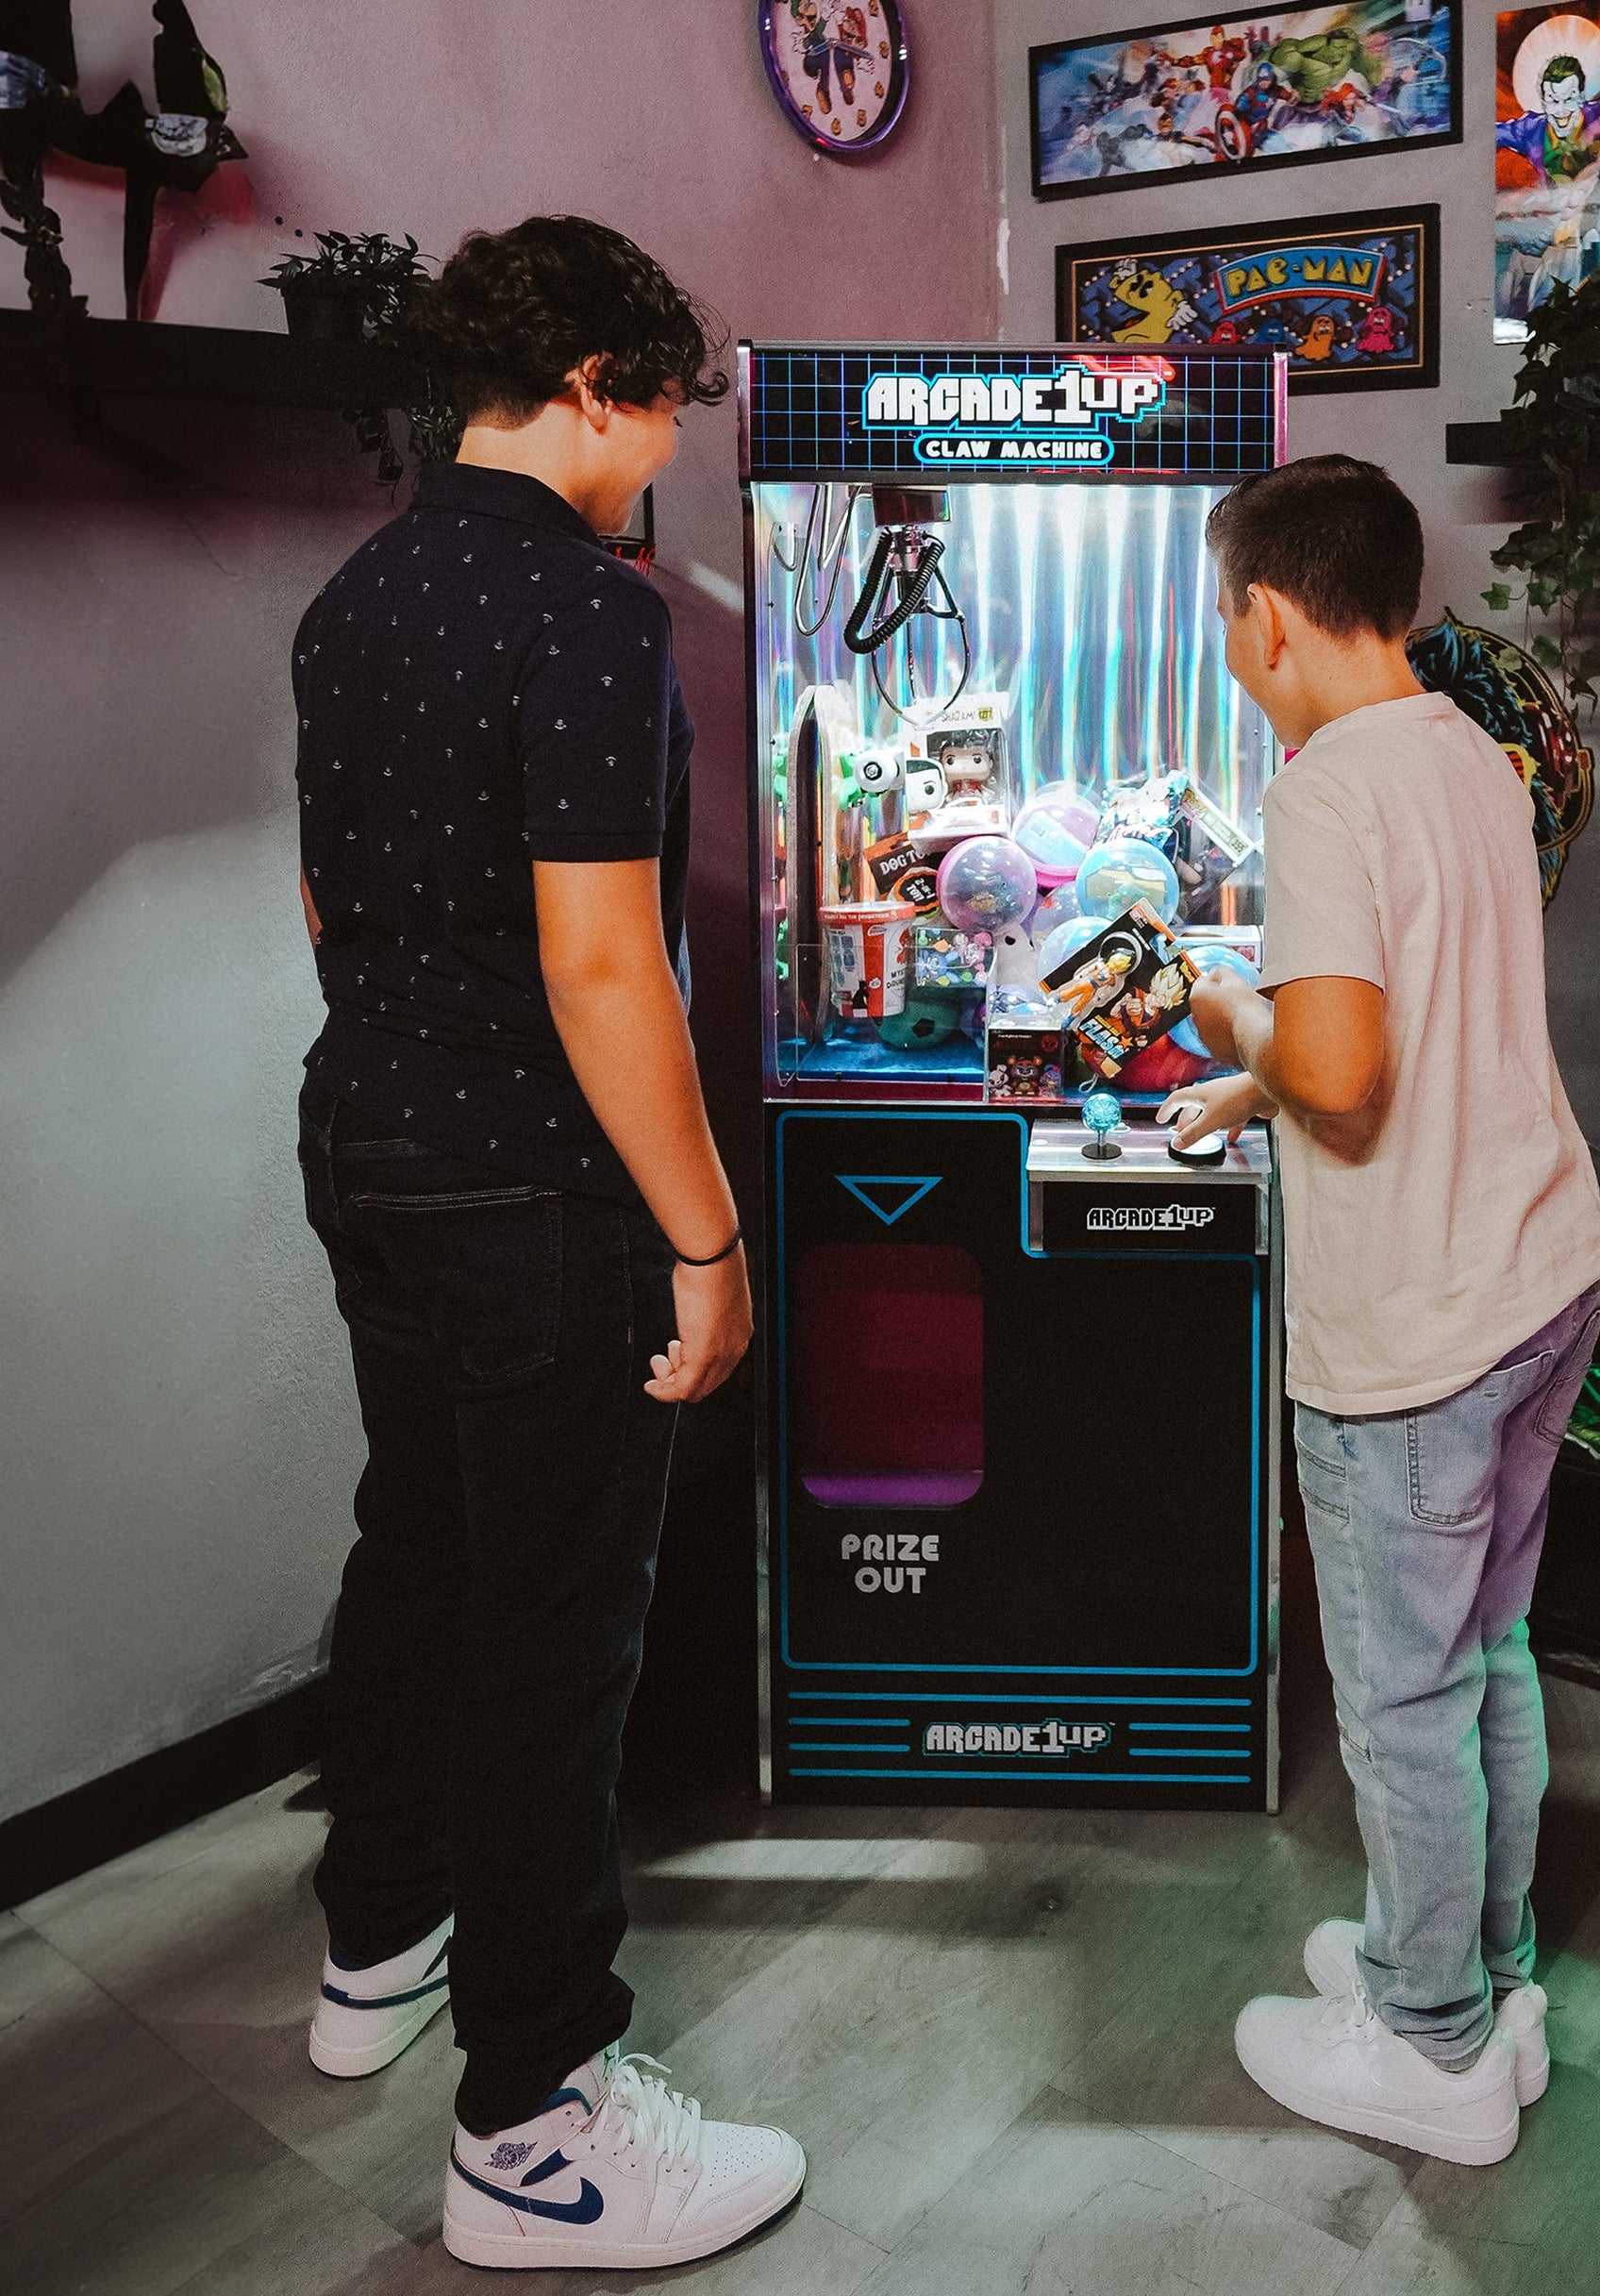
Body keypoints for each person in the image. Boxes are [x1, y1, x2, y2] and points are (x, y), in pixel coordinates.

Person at [292, 214, 807, 2272]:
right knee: (552, 1632)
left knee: (416, 1546)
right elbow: (606, 965)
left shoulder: (357, 592)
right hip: (532, 1189)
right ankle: (535, 2122)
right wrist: (708, 1235)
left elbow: (329, 903)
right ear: (593, 387)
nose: (666, 444)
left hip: (369, 1142)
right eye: (661, 405)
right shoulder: (584, 610)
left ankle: (374, 1944)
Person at [1166, 455, 1600, 2166]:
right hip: (1540, 1271)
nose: (1231, 645)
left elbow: (1343, 1070)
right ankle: (1485, 1975)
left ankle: (1428, 2047)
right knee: (1485, 1649)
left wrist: (1230, 1019)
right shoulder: (1466, 751)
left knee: (1402, 1694)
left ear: (1269, 616)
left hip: (1416, 1330)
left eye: (1225, 615)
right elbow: (1422, 1010)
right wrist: (1263, 1085)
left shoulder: (1321, 789)